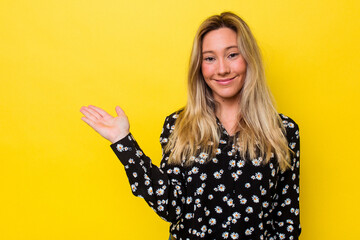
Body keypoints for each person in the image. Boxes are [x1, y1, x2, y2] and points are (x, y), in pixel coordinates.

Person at [80, 12, 301, 240]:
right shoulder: (179, 126)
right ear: (199, 66)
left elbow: (286, 222)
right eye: (210, 58)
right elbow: (171, 207)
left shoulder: (283, 131)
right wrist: (123, 142)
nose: (222, 69)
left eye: (232, 54)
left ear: (249, 58)